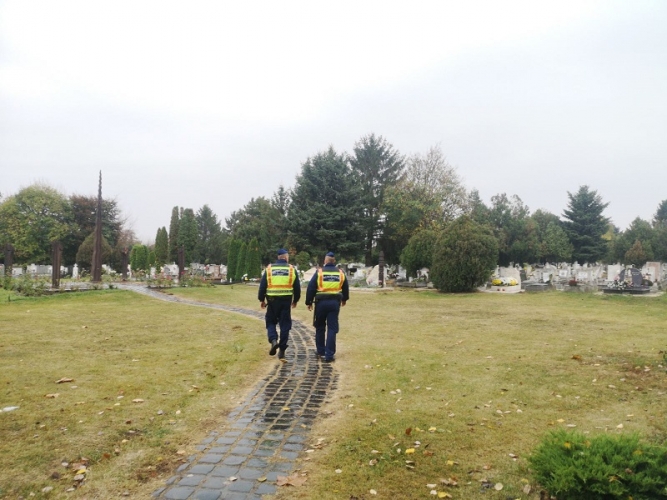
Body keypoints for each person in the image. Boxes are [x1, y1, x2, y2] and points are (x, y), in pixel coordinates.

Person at [305, 251, 349, 362]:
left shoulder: (319, 272)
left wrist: (308, 302)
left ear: (325, 261)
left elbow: (311, 287)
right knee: (332, 328)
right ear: (334, 261)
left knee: (320, 326)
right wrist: (344, 299)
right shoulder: (340, 273)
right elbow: (345, 287)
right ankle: (329, 355)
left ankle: (321, 351)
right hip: (334, 303)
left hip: (321, 303)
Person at [258, 248, 300, 361]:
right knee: (285, 325)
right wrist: (295, 300)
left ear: (278, 257)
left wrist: (261, 299)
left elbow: (263, 285)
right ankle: (282, 350)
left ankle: (273, 340)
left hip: (272, 301)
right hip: (286, 301)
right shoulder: (291, 269)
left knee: (270, 321)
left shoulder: (269, 269)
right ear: (286, 257)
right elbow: (297, 287)